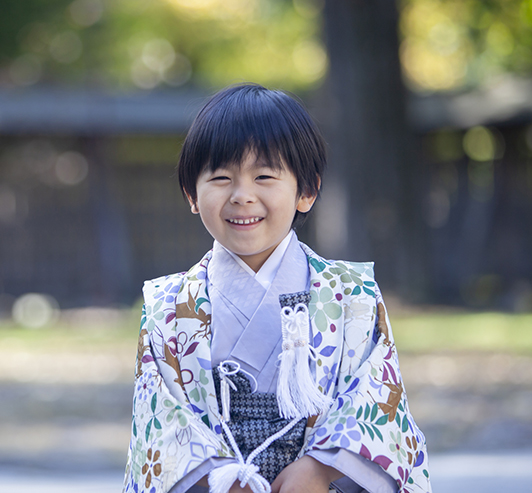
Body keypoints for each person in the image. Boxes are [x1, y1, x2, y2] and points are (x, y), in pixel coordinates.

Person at [123, 84, 431, 493]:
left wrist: (320, 468)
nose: (242, 195)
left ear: (306, 191)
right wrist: (218, 478)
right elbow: (158, 423)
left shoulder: (352, 296)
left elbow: (377, 404)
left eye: (264, 176)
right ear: (191, 194)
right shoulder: (167, 306)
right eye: (220, 178)